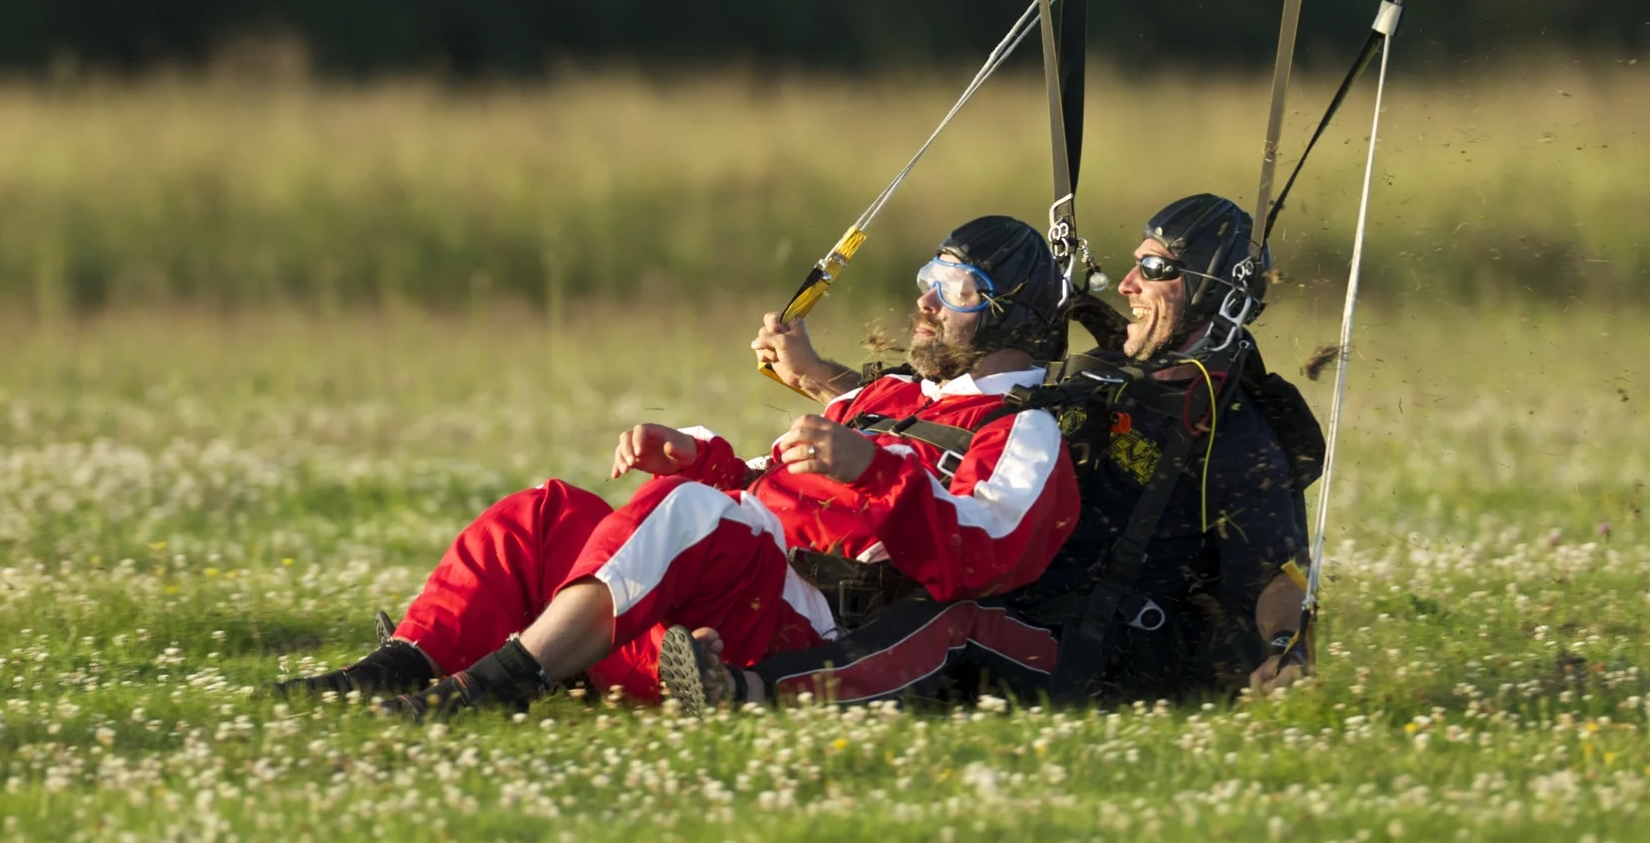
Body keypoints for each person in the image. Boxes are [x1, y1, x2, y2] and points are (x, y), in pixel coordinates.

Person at [276, 215, 1083, 715]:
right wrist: (699, 456)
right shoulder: (890, 396)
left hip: (799, 620)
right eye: (926, 280)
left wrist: (872, 469)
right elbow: (762, 489)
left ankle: (491, 684)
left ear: (1011, 315)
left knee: (692, 513)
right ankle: (393, 669)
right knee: (549, 512)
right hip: (720, 589)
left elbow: (990, 549)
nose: (927, 302)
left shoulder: (1024, 427)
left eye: (956, 288)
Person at [732, 193, 1315, 709]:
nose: (1127, 284)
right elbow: (962, 411)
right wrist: (815, 377)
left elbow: (1279, 573)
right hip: (1009, 590)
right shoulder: (1101, 377)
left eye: (1154, 268)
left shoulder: (1233, 431)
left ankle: (753, 689)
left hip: (1105, 649)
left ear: (1214, 292)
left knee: (950, 618)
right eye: (1135, 264)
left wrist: (1288, 653)